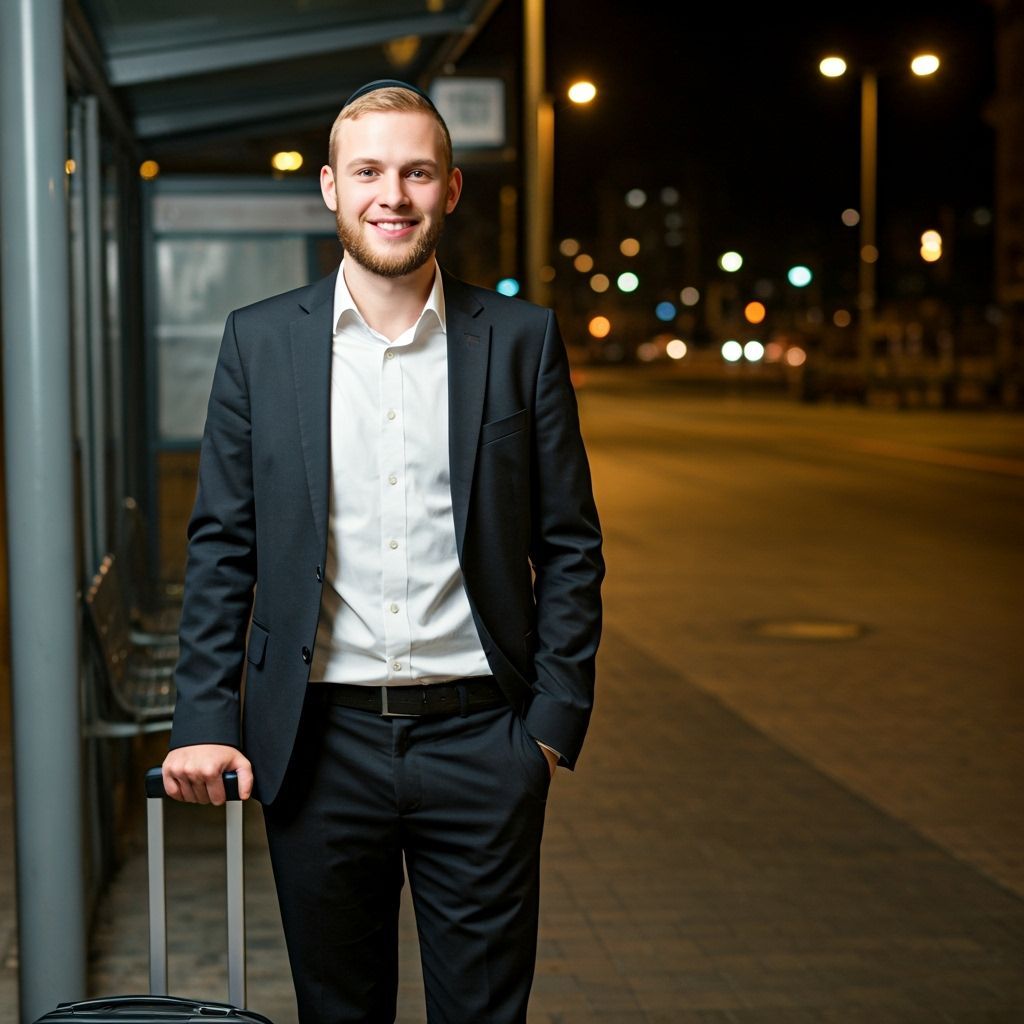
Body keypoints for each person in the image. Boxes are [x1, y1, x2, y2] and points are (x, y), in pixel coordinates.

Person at [161, 79, 604, 1024]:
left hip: (486, 739)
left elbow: (569, 542)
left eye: (414, 172)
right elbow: (222, 545)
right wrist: (203, 715)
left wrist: (552, 725)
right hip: (318, 745)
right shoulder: (259, 342)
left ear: (449, 188)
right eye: (368, 171)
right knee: (339, 1009)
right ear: (330, 187)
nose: (390, 195)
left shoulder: (520, 342)